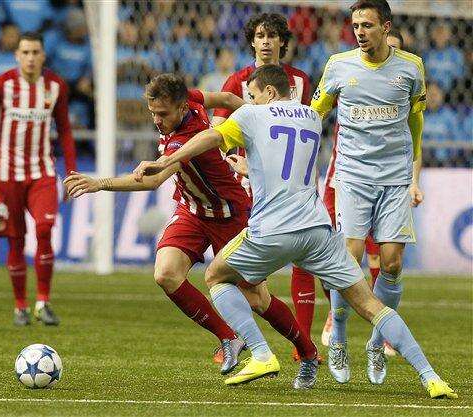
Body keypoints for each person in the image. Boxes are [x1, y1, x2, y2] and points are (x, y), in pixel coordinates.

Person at [133, 64, 457, 399]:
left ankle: (260, 353)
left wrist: (166, 161)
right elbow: (284, 162)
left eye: (253, 96)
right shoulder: (312, 118)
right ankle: (430, 376)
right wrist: (252, 168)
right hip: (317, 231)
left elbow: (210, 137)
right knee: (371, 304)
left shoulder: (251, 116)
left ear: (269, 92)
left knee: (216, 277)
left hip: (272, 230)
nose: (249, 102)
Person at [64, 74, 318, 377]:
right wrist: (252, 117)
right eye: (153, 113)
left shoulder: (185, 140)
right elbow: (226, 99)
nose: (156, 120)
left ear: (182, 108)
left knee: (256, 298)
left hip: (229, 215)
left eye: (163, 114)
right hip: (192, 211)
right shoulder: (192, 99)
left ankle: (307, 351)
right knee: (166, 273)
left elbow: (153, 181)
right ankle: (229, 337)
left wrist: (99, 183)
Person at [310, 0, 426, 385]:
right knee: (350, 257)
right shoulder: (338, 66)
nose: (360, 32)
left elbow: (415, 121)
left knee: (391, 264)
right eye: (356, 25)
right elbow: (315, 113)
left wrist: (413, 167)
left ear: (386, 27)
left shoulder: (411, 68)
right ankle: (339, 335)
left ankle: (377, 341)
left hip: (393, 176)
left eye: (368, 25)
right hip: (353, 175)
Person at [212, 12, 318, 363]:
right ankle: (237, 336)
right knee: (244, 274)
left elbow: (309, 128)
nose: (267, 41)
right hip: (248, 186)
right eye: (260, 35)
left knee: (302, 260)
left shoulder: (300, 81)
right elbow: (218, 132)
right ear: (253, 42)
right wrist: (232, 164)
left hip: (292, 185)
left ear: (283, 42)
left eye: (273, 36)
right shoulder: (237, 81)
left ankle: (302, 346)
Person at [0, 32, 77, 326]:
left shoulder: (55, 86)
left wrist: (71, 172)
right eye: (25, 52)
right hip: (8, 175)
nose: (30, 58)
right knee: (16, 241)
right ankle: (20, 306)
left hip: (42, 171)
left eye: (35, 52)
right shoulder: (1, 85)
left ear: (43, 55)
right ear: (16, 55)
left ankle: (43, 302)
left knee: (45, 228)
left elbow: (65, 130)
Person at [320, 28, 408, 355]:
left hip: (388, 179)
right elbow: (317, 110)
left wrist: (412, 180)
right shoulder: (349, 73)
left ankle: (382, 330)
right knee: (343, 256)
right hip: (345, 179)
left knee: (385, 259)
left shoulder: (404, 83)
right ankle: (335, 317)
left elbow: (414, 133)